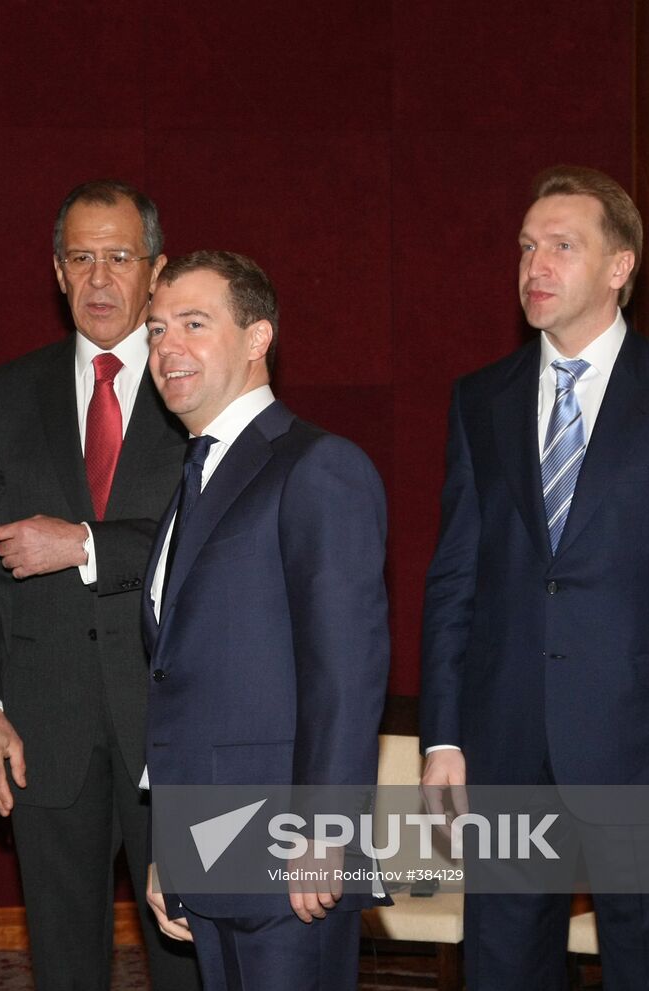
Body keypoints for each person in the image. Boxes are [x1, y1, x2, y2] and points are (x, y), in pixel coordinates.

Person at [419, 165, 649, 989]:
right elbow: (454, 580)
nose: (535, 264)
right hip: (502, 747)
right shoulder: (481, 400)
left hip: (644, 752)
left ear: (620, 267)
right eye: (527, 246)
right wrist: (443, 736)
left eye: (562, 246)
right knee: (502, 966)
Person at [0, 180, 199, 989]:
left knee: (190, 957)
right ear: (56, 273)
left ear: (155, 270)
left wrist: (85, 544)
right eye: (80, 258)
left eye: (119, 257)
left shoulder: (196, 384)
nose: (98, 278)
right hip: (42, 732)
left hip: (176, 730)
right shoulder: (6, 393)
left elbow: (215, 543)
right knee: (62, 966)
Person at [141, 251, 390, 990]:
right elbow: (180, 681)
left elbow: (345, 669)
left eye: (193, 323)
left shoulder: (318, 466)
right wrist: (170, 847)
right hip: (209, 854)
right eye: (155, 330)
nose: (166, 348)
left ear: (257, 338)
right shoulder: (194, 479)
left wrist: (327, 831)